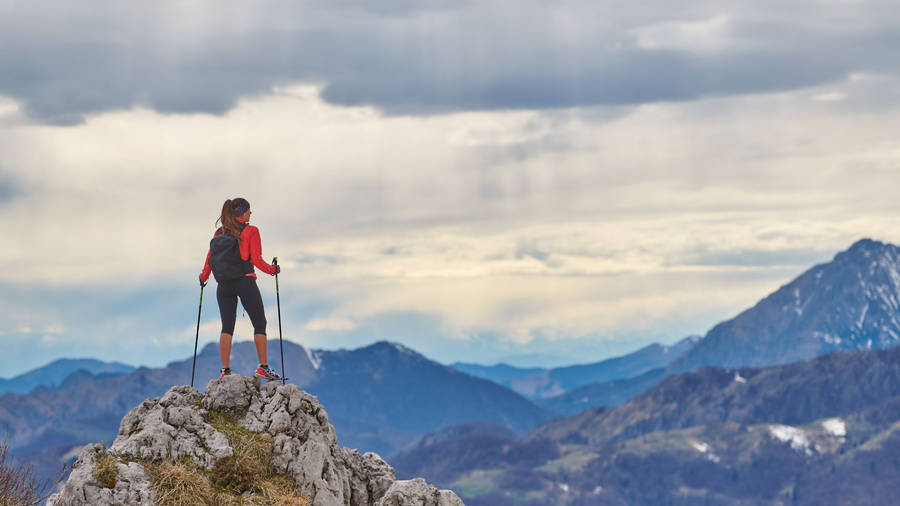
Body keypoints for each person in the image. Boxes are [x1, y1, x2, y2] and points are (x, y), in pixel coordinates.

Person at [199, 198, 283, 381]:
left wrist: (203, 278)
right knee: (259, 323)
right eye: (248, 210)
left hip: (223, 286)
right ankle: (263, 367)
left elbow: (209, 260)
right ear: (241, 212)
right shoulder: (251, 231)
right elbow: (256, 259)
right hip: (245, 282)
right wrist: (272, 270)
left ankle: (224, 371)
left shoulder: (218, 233)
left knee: (227, 327)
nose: (251, 213)